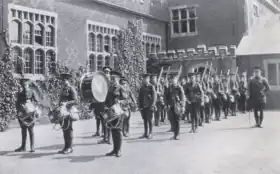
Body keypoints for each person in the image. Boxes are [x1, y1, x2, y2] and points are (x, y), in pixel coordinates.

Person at [15, 78, 40, 153]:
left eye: (26, 84)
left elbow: (37, 101)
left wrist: (32, 107)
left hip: (30, 113)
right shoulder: (20, 93)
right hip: (22, 113)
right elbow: (17, 103)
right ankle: (23, 147)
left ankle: (32, 147)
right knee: (23, 130)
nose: (24, 86)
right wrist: (19, 110)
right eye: (23, 84)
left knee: (31, 130)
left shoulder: (32, 92)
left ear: (28, 84)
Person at [57, 73, 79, 154]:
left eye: (65, 80)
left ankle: (69, 147)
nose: (63, 81)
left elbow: (76, 101)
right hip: (63, 111)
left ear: (68, 80)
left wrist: (66, 103)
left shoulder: (71, 89)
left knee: (68, 129)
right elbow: (61, 100)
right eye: (62, 80)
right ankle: (66, 147)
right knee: (64, 129)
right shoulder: (63, 89)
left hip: (69, 111)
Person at [105, 71, 124, 157]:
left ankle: (119, 150)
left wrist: (120, 101)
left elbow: (127, 99)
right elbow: (106, 100)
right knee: (113, 130)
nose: (112, 80)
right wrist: (105, 107)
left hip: (119, 112)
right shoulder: (109, 88)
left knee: (118, 130)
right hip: (111, 112)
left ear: (118, 79)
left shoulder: (121, 88)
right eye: (112, 78)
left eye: (114, 79)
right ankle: (114, 149)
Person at [90, 67, 112, 138]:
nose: (106, 73)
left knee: (105, 118)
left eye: (108, 72)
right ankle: (99, 132)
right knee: (98, 117)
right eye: (105, 72)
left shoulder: (111, 83)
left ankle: (105, 134)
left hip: (106, 104)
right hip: (99, 103)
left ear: (109, 74)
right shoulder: (100, 82)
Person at [166, 75, 185, 140]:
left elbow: (182, 98)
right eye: (172, 79)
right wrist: (167, 104)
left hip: (177, 106)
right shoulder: (169, 87)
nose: (173, 81)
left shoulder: (179, 88)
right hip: (171, 106)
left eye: (174, 79)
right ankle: (175, 134)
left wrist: (182, 106)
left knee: (177, 121)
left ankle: (177, 135)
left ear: (177, 80)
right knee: (172, 120)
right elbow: (167, 97)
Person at [138, 73, 157, 139]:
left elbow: (154, 97)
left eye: (146, 79)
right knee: (145, 120)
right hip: (143, 106)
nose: (145, 80)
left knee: (150, 120)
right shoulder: (142, 87)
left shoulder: (151, 87)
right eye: (144, 79)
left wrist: (152, 106)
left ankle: (150, 133)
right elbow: (140, 97)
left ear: (149, 79)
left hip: (149, 106)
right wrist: (140, 106)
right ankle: (145, 133)